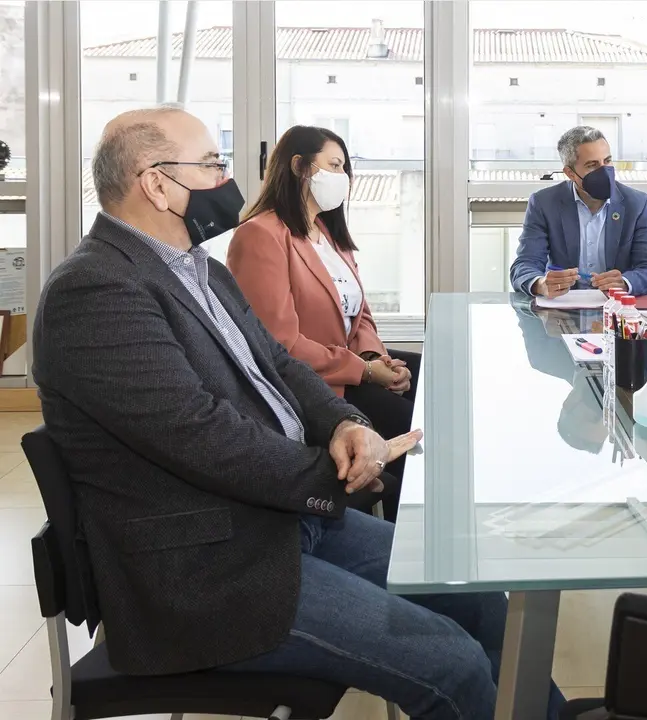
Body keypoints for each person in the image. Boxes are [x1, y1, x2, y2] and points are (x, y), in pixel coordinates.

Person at [31, 106, 563, 719]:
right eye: (210, 164)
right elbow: (200, 435)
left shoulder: (197, 268)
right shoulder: (95, 290)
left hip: (272, 523)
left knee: (483, 603)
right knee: (452, 659)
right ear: (155, 182)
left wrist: (348, 426)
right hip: (205, 574)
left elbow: (281, 368)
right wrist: (332, 475)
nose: (225, 177)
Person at [228, 125, 414, 521]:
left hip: (349, 366)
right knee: (415, 430)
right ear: (299, 167)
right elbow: (279, 345)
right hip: (316, 386)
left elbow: (359, 312)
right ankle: (412, 551)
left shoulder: (328, 232)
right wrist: (365, 371)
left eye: (345, 168)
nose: (342, 177)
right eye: (333, 165)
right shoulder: (260, 235)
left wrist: (375, 356)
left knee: (429, 381)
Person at [510, 126, 647, 298]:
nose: (604, 171)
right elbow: (524, 265)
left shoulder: (638, 204)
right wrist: (540, 284)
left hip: (617, 308)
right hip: (562, 311)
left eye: (607, 161)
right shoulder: (544, 203)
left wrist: (624, 282)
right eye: (592, 165)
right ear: (570, 173)